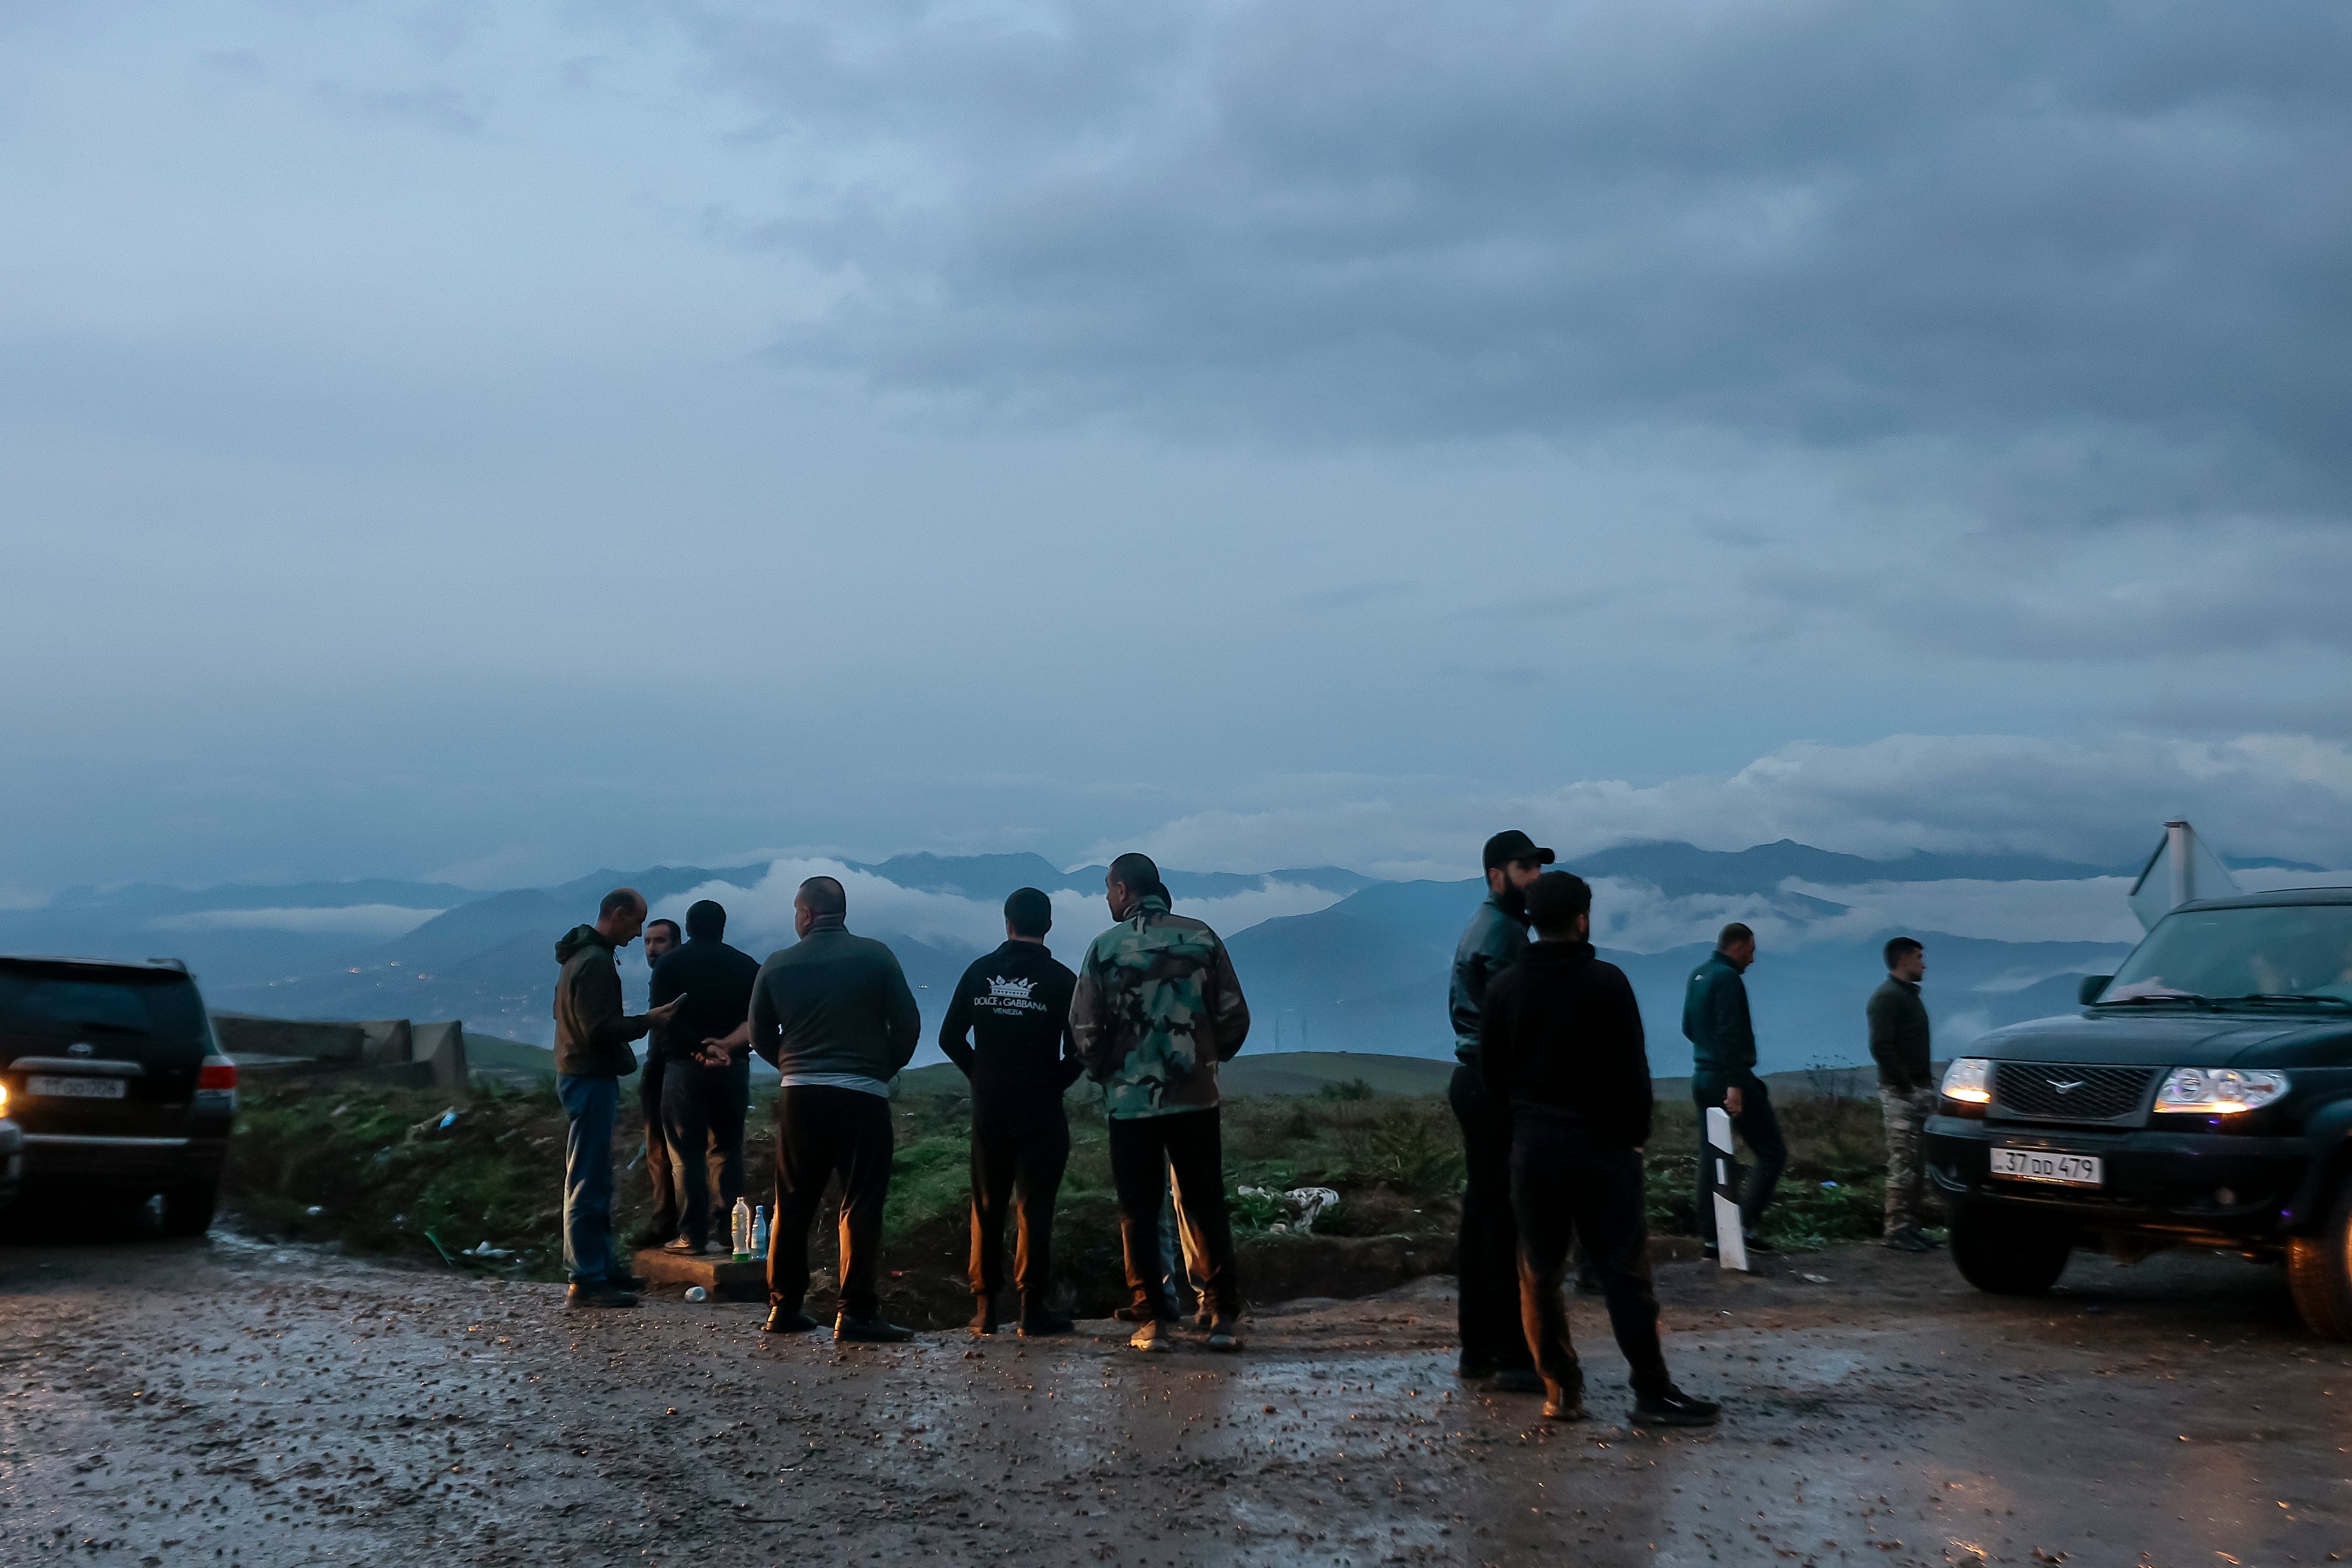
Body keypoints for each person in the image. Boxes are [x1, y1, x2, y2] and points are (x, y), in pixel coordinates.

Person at [1482, 872, 1721, 1427]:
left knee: (1539, 1273)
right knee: (1624, 1273)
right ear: (1583, 919)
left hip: (1533, 1150)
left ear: (1531, 920)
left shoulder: (1504, 990)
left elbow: (1492, 1080)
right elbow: (1633, 1076)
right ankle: (1652, 1392)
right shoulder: (1606, 983)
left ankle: (1560, 1392)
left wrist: (1518, 1134)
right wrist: (1634, 1138)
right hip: (1602, 1150)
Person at [701, 876, 922, 1341]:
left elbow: (760, 1035)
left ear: (804, 914)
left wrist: (792, 1064)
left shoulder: (778, 965)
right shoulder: (877, 956)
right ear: (842, 912)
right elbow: (908, 1024)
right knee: (860, 1203)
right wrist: (880, 1067)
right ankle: (856, 1313)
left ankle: (784, 1309)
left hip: (801, 1096)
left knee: (793, 1203)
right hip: (863, 1094)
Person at [1071, 851, 1252, 1354]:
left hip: (1131, 1104)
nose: (1108, 899)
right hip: (1195, 1096)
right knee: (1205, 1202)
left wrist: (1107, 1074)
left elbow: (1085, 1028)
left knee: (1138, 1208)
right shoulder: (1201, 937)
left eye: (1109, 890)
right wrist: (1207, 1061)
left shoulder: (1104, 949)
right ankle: (1218, 1313)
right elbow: (1235, 1015)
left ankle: (1152, 1320)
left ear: (1124, 891)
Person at [938, 887, 1084, 1336]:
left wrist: (981, 1077)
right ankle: (1031, 1310)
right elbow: (1081, 1050)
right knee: (1035, 1207)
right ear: (1049, 926)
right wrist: (1049, 1085)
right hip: (1041, 1112)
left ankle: (984, 1310)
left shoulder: (979, 973)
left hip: (990, 1110)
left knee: (987, 1204)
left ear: (1007, 924)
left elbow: (950, 1038)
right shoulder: (1062, 981)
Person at [1445, 829, 1551, 1394]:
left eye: (1537, 867)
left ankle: (1477, 1349)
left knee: (1482, 1216)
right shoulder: (1507, 934)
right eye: (1524, 867)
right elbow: (1520, 1022)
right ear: (1495, 875)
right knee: (1505, 1219)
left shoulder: (1488, 925)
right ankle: (1512, 1354)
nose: (1534, 876)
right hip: (1494, 1083)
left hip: (1474, 1079)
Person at [553, 889, 683, 1309]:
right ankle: (587, 1278)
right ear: (619, 914)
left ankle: (601, 1267)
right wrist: (650, 1021)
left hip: (581, 1072)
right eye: (635, 923)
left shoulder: (583, 957)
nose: (638, 934)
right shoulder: (594, 962)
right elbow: (599, 1028)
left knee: (594, 1175)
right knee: (589, 1177)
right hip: (588, 1074)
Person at [649, 900, 761, 1256]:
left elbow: (664, 1019)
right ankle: (733, 1236)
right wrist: (724, 1048)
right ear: (723, 927)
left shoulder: (670, 964)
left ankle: (692, 1236)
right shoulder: (747, 966)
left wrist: (699, 1049)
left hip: (684, 1068)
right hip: (734, 1068)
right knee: (728, 1149)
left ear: (689, 927)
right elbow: (758, 1020)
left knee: (687, 1154)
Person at [1684, 921, 1785, 1257]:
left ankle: (1712, 1238)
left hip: (1701, 1076)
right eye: (1752, 951)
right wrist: (1734, 1083)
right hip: (1730, 1079)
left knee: (1712, 1157)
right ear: (1738, 946)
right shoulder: (1728, 979)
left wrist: (1708, 1056)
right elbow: (1731, 1032)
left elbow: (1689, 1027)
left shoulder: (1699, 975)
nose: (1753, 960)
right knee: (1772, 1152)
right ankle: (1745, 1226)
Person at [1868, 936, 1939, 1253]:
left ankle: (1910, 1225)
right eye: (1919, 957)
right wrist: (1906, 1085)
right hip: (1901, 1093)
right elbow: (1881, 1044)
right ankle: (1895, 1229)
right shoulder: (1888, 998)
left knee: (1918, 1161)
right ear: (1903, 960)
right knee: (1903, 1160)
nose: (1923, 964)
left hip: (1918, 1089)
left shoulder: (1907, 996)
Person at [628, 917, 683, 1250]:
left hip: (672, 1066)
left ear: (676, 943)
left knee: (670, 1149)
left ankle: (671, 1222)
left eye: (659, 941)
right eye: (648, 942)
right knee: (659, 1149)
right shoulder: (660, 976)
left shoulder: (673, 974)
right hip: (660, 1065)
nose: (651, 948)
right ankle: (666, 1220)